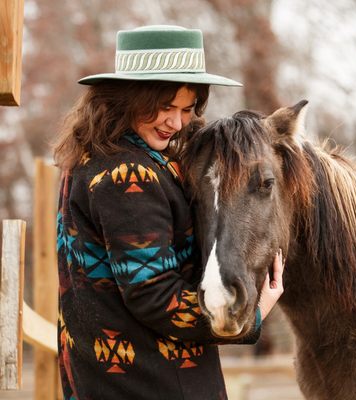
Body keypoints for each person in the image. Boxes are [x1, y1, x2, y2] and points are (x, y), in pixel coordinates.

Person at [53, 25, 284, 399]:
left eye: (187, 109)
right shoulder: (127, 174)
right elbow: (154, 295)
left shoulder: (93, 160)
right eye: (163, 107)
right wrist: (248, 316)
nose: (176, 123)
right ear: (127, 98)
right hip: (153, 384)